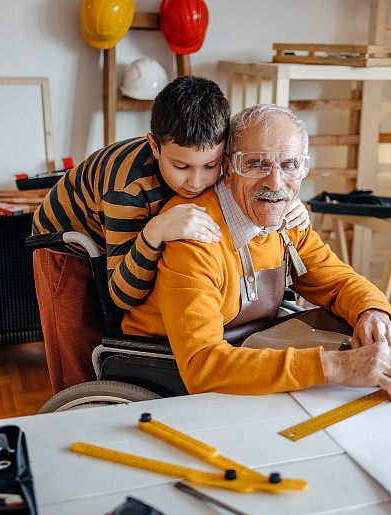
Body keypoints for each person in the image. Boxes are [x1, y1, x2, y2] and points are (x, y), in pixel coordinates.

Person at [31, 77, 310, 392]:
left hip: (137, 219)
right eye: (181, 166)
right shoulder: (128, 188)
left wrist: (284, 200)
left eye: (210, 166)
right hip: (68, 238)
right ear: (154, 146)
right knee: (78, 353)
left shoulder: (215, 168)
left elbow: (255, 178)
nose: (196, 182)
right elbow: (122, 295)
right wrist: (153, 232)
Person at [123, 103, 391, 401]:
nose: (275, 183)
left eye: (289, 165)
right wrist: (334, 366)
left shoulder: (287, 219)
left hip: (251, 349)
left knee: (383, 339)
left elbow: (338, 282)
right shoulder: (193, 236)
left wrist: (373, 312)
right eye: (257, 164)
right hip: (167, 365)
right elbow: (203, 365)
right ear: (228, 167)